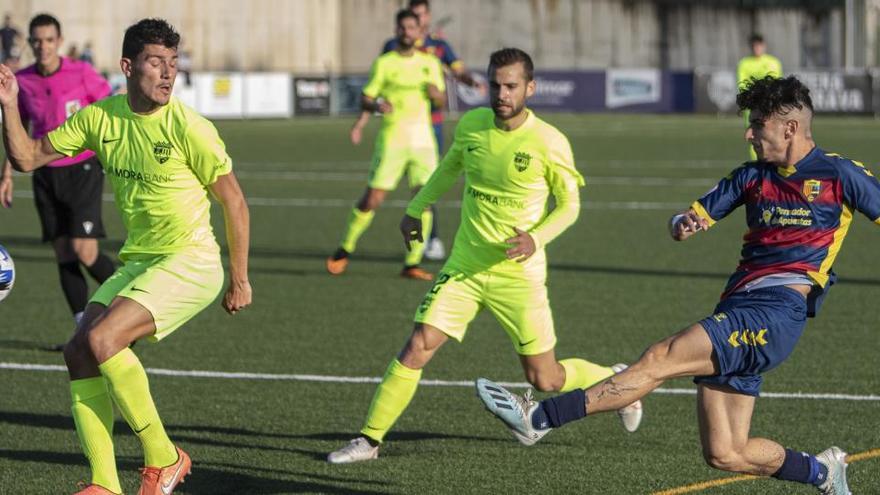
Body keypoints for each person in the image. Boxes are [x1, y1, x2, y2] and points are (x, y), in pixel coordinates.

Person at [477, 76, 866, 495]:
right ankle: (823, 473)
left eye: (758, 125)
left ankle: (539, 419)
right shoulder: (751, 176)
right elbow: (683, 218)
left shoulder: (839, 174)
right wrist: (684, 224)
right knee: (726, 453)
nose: (749, 133)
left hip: (777, 312)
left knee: (661, 357)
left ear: (789, 128)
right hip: (737, 307)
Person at [326, 47, 642, 464]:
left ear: (530, 87)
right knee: (418, 343)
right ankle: (369, 441)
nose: (501, 93)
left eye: (511, 86)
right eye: (495, 84)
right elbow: (448, 168)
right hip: (465, 266)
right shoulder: (473, 126)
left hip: (519, 275)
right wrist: (415, 207)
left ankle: (617, 380)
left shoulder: (549, 141)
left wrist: (536, 238)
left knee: (545, 378)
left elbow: (569, 206)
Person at [0, 17, 252, 495]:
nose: (167, 73)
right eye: (155, 62)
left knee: (103, 341)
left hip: (191, 261)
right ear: (127, 66)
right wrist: (9, 105)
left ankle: (165, 457)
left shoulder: (190, 127)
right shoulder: (101, 118)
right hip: (142, 260)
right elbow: (27, 157)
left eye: (173, 63)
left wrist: (239, 278)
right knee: (78, 350)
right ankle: (105, 484)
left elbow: (234, 202)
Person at [0, 14, 115, 335]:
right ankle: (81, 330)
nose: (42, 46)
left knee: (84, 250)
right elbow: (16, 129)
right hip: (43, 173)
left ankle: (127, 309)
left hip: (83, 169)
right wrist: (6, 174)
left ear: (59, 41)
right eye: (36, 40)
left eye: (49, 40)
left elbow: (109, 110)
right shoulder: (22, 80)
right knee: (63, 252)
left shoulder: (82, 73)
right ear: (31, 43)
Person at [326, 9, 446, 281]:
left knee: (423, 203)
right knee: (372, 200)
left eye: (411, 28)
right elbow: (366, 97)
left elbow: (440, 101)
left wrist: (436, 93)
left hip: (424, 144)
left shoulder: (430, 63)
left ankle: (412, 263)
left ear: (419, 31)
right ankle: (345, 248)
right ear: (397, 31)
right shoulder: (385, 63)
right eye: (402, 28)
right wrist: (378, 104)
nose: (406, 32)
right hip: (393, 141)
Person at [382, 0, 485, 261]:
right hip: (398, 129)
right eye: (413, 14)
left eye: (421, 14)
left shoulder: (439, 46)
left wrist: (471, 81)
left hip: (431, 127)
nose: (417, 18)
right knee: (393, 187)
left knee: (427, 184)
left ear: (427, 17)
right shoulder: (393, 46)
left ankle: (432, 237)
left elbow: (458, 69)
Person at [737, 34, 782, 160]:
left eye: (759, 46)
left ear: (764, 46)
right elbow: (742, 84)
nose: (757, 48)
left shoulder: (773, 62)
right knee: (754, 134)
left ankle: (774, 160)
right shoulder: (744, 63)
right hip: (752, 105)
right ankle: (757, 163)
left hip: (769, 105)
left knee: (772, 134)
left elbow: (775, 83)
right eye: (754, 46)